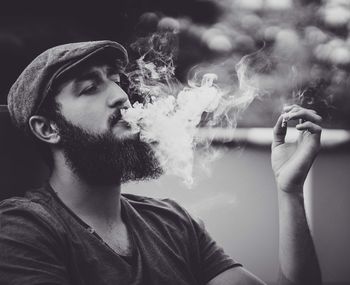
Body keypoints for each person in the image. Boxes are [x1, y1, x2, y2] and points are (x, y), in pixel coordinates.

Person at [0, 40, 322, 285]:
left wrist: (289, 191)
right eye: (90, 88)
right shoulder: (23, 231)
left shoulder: (172, 223)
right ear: (48, 128)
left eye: (115, 80)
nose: (120, 96)